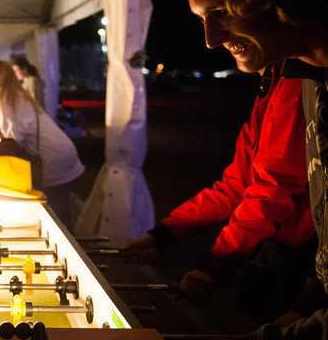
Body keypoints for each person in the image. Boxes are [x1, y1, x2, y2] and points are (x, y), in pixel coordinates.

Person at [166, 0, 328, 340]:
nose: (212, 40)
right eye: (201, 19)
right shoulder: (306, 81)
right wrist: (308, 304)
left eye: (219, 12)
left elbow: (271, 186)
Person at [119, 59, 313, 309]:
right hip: (274, 249)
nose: (212, 42)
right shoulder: (272, 86)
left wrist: (214, 267)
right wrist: (163, 235)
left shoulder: (294, 85)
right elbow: (235, 187)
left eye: (225, 18)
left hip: (303, 258)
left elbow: (272, 191)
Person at [0, 61, 84, 230]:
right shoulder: (18, 93)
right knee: (62, 210)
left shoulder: (2, 94)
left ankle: (68, 251)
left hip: (52, 158)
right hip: (63, 150)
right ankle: (72, 245)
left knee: (55, 216)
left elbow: (14, 137)